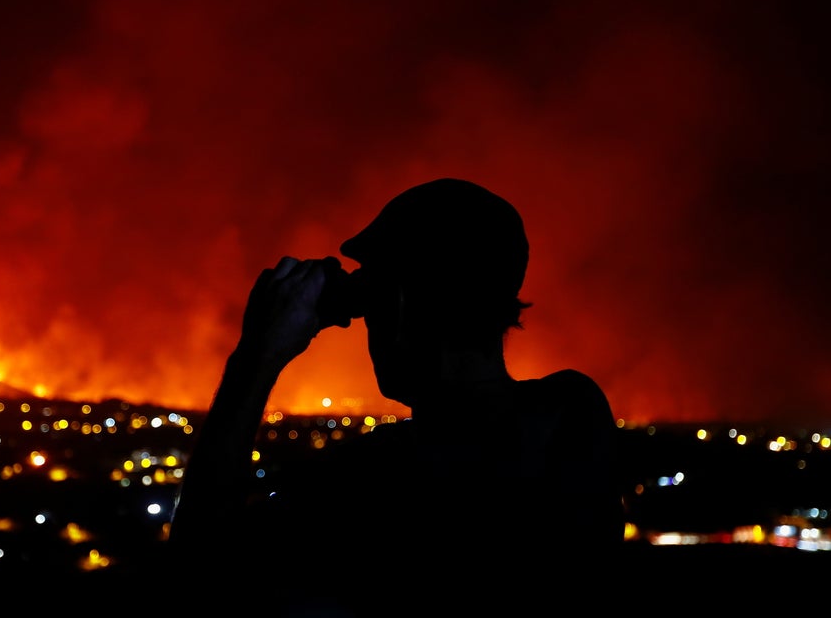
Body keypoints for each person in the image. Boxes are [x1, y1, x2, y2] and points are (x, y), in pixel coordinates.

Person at [166, 178, 623, 612]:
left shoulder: (364, 480)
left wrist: (256, 356)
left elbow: (201, 565)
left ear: (399, 306)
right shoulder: (573, 411)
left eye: (372, 304)